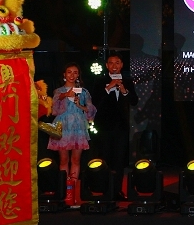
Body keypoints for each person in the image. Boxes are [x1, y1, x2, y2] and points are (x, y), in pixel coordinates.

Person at [48, 64, 97, 207]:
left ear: (78, 75)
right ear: (64, 74)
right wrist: (65, 95)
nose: (72, 75)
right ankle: (63, 193)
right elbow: (54, 110)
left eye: (75, 72)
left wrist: (80, 105)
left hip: (78, 127)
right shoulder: (58, 91)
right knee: (63, 160)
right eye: (69, 72)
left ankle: (73, 193)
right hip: (63, 126)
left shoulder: (84, 92)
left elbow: (91, 110)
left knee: (76, 160)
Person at [92, 54, 131, 172]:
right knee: (104, 158)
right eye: (111, 63)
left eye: (117, 63)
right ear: (107, 65)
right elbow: (95, 102)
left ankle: (117, 184)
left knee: (119, 159)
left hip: (121, 126)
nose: (114, 66)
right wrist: (109, 87)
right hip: (104, 126)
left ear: (122, 65)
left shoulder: (127, 81)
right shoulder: (100, 81)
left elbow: (134, 101)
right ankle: (105, 183)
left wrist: (124, 91)